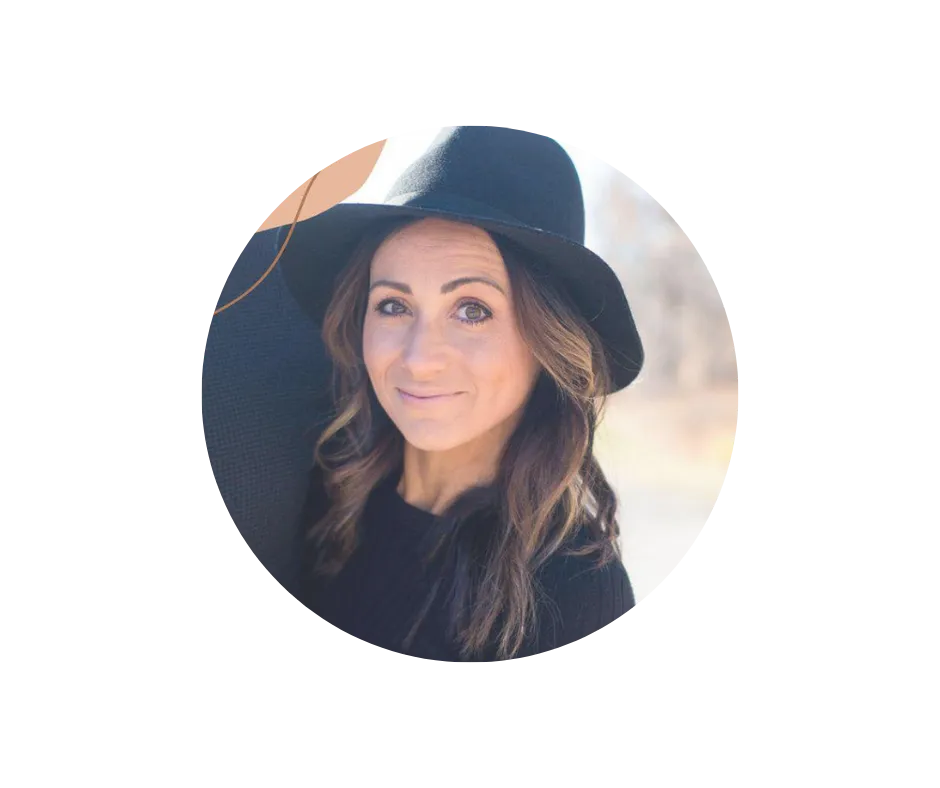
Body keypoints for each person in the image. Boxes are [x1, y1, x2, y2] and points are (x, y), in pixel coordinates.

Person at [202, 126, 645, 663]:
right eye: (393, 305)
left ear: (547, 342)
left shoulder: (576, 591)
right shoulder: (326, 492)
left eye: (472, 311)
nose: (417, 358)